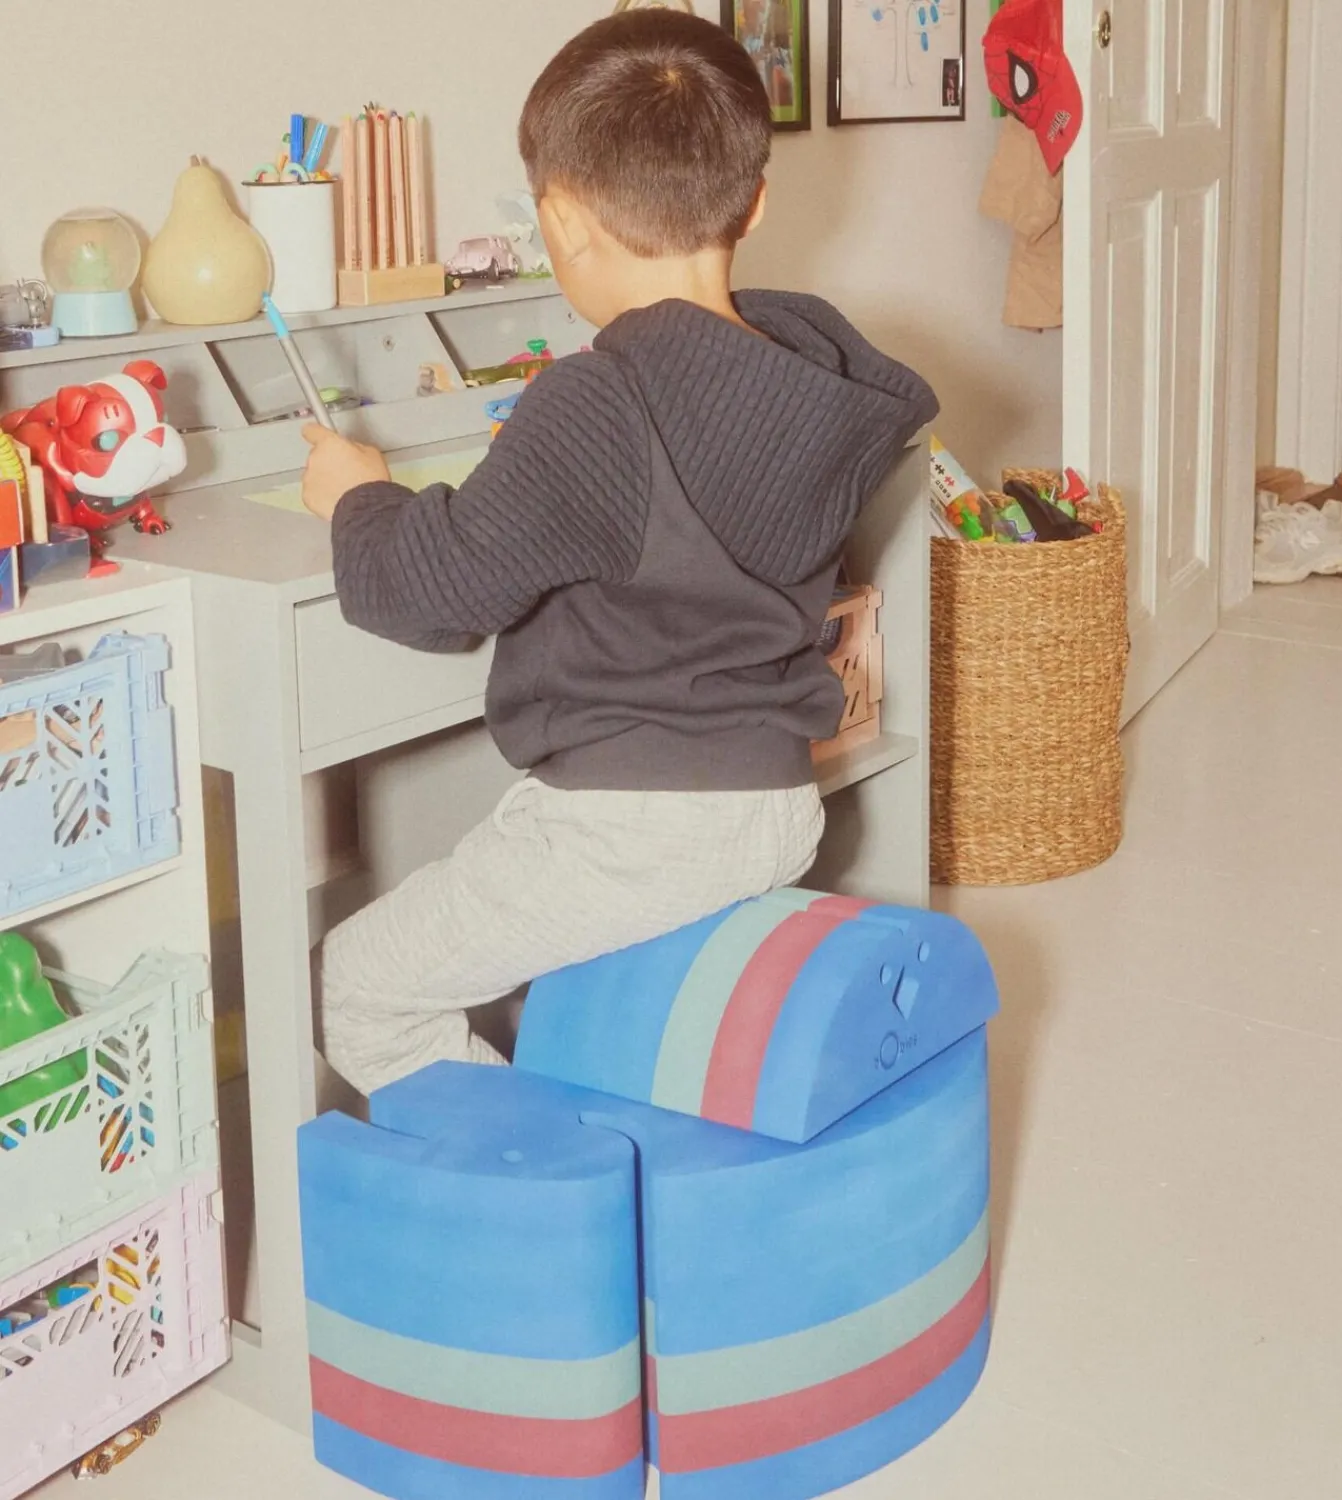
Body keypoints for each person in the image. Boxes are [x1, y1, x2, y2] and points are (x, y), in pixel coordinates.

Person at [296, 8, 937, 1096]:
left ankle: (551, 1179)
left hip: (634, 826)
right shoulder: (805, 364)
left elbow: (430, 593)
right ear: (755, 202)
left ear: (561, 221)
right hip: (772, 799)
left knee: (351, 987)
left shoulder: (599, 402)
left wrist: (357, 497)